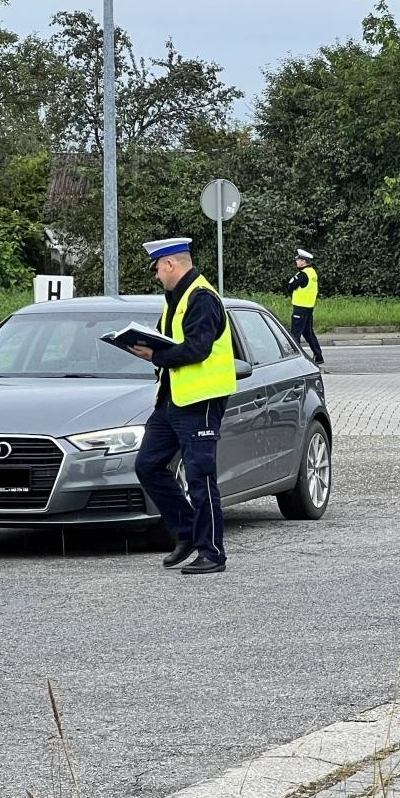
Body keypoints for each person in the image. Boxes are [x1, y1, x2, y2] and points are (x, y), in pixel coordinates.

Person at [129, 237, 236, 575]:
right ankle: (187, 532)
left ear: (171, 265)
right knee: (147, 465)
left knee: (201, 477)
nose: (157, 276)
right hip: (172, 400)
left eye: (158, 269)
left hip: (200, 401)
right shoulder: (176, 298)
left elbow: (197, 349)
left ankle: (213, 552)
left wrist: (155, 354)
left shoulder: (202, 297)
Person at [283, 249, 324, 368]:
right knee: (308, 333)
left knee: (295, 334)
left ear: (304, 262)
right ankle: (318, 356)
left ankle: (296, 359)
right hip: (309, 307)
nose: (296, 262)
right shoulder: (312, 273)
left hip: (300, 308)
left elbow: (290, 286)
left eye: (298, 260)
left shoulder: (302, 274)